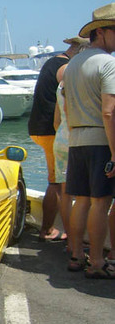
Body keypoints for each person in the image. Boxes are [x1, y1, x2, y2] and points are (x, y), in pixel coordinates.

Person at [64, 3, 115, 279]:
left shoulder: (73, 64)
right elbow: (109, 111)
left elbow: (68, 106)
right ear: (103, 32)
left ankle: (75, 255)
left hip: (76, 138)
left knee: (81, 200)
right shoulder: (108, 63)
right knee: (101, 201)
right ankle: (96, 261)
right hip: (100, 139)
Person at [29, 38, 87, 242]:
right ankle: (49, 230)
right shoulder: (65, 68)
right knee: (58, 184)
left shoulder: (53, 61)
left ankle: (50, 229)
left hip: (41, 128)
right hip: (51, 131)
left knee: (56, 182)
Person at [52, 38, 90, 244]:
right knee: (87, 197)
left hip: (62, 139)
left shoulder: (62, 84)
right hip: (81, 139)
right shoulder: (88, 82)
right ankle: (83, 240)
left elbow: (57, 120)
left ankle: (69, 237)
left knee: (65, 193)